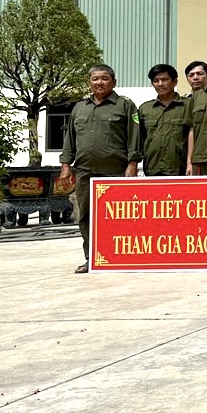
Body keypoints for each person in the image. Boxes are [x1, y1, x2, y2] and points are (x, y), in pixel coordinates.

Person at [58, 64, 140, 273]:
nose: (99, 83)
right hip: (85, 171)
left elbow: (134, 136)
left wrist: (132, 163)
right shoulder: (79, 107)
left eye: (104, 78)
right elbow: (70, 139)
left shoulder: (125, 106)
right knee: (85, 215)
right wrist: (65, 166)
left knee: (118, 216)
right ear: (89, 82)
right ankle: (92, 258)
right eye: (95, 79)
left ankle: (120, 256)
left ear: (114, 82)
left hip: (115, 170)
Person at [139, 64, 189, 177]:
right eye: (156, 81)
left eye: (165, 80)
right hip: (152, 168)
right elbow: (140, 139)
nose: (160, 84)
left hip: (181, 169)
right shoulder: (145, 109)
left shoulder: (188, 105)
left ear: (175, 82)